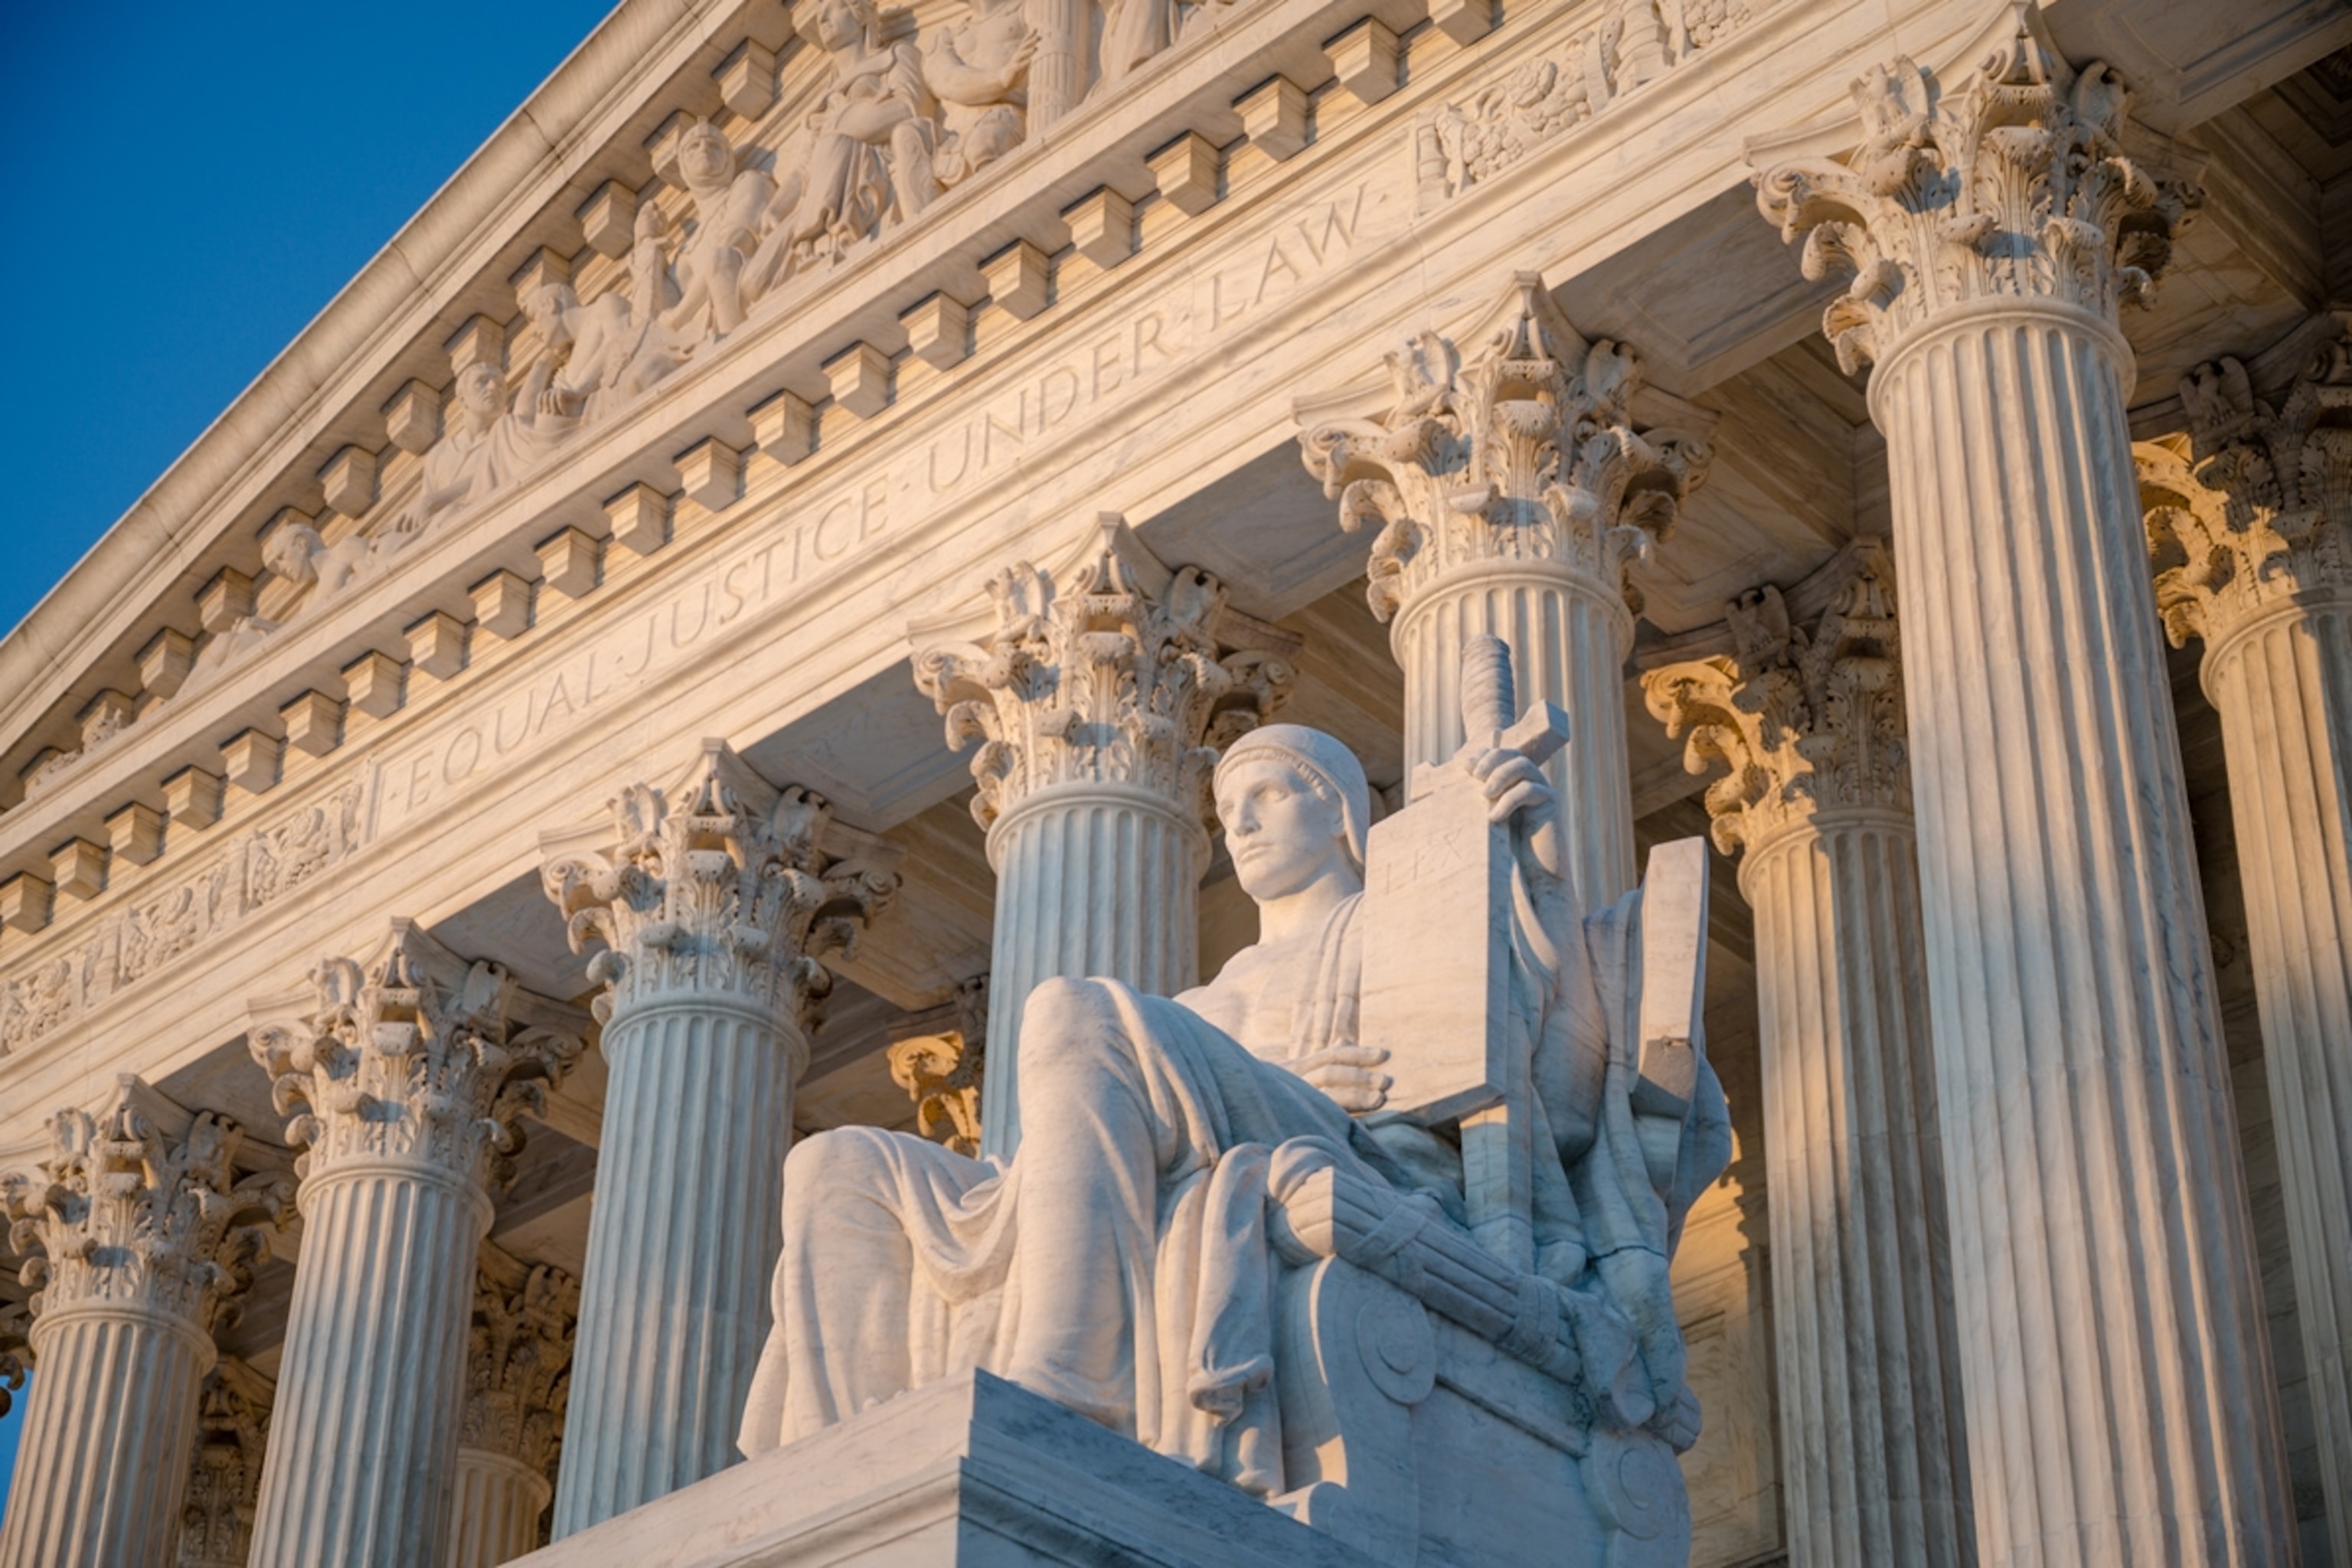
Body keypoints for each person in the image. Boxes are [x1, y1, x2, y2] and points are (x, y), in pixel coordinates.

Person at [739, 721, 1729, 1488]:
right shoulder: (1202, 1004)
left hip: (1358, 1155)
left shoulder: (1395, 926)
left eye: (1267, 794)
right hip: (1225, 1143)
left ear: (1340, 811)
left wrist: (1526, 873)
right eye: (1229, 807)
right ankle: (851, 1465)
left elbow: (1544, 1083)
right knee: (836, 1167)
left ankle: (1066, 1372)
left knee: (1074, 1011)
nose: (1241, 823)